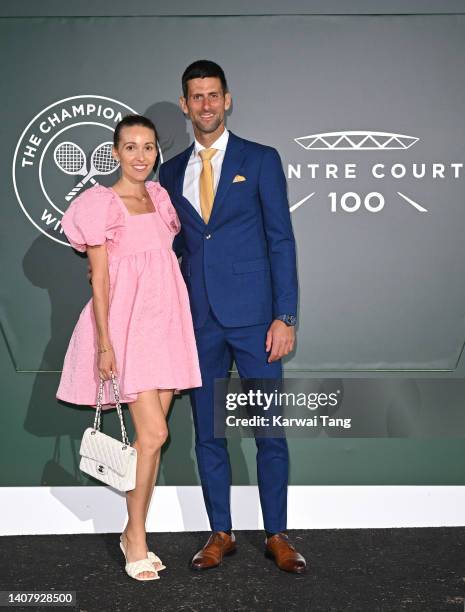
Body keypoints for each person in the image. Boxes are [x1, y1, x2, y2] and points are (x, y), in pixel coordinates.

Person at [159, 60, 306, 573]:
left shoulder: (261, 159)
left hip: (255, 320)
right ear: (185, 104)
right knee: (207, 434)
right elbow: (169, 247)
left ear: (227, 99)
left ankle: (277, 534)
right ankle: (220, 531)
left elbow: (280, 240)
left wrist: (284, 315)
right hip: (199, 322)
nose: (205, 105)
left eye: (213, 95)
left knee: (269, 431)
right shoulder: (170, 171)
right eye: (196, 97)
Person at [56, 114, 201, 581]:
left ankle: (132, 532)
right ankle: (135, 538)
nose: (140, 156)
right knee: (155, 435)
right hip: (127, 327)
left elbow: (164, 260)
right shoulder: (100, 203)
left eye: (148, 147)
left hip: (166, 324)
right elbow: (99, 275)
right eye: (131, 147)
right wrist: (104, 343)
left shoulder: (160, 198)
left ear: (156, 152)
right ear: (116, 153)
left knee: (149, 442)